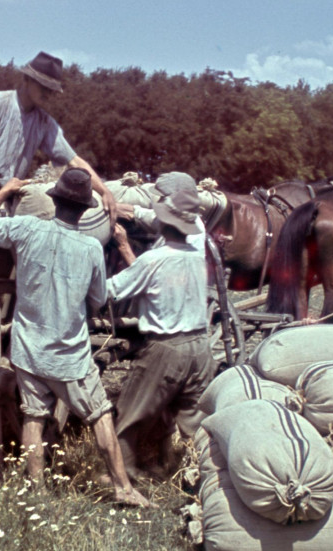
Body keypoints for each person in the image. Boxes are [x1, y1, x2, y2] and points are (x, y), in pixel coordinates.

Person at [0, 167, 149, 507]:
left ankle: (37, 494)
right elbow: (96, 301)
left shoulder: (26, 228)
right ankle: (123, 489)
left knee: (33, 416)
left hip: (27, 349)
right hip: (69, 355)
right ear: (84, 210)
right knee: (99, 415)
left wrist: (6, 190)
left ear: (54, 202)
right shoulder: (93, 249)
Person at [107, 176, 214, 480]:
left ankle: (124, 476)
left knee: (129, 412)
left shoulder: (152, 260)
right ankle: (206, 476)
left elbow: (109, 291)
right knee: (195, 417)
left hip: (167, 348)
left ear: (162, 224)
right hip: (200, 346)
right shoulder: (196, 257)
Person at [0, 51, 116, 225]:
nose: (47, 93)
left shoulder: (44, 122)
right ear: (27, 79)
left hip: (11, 193)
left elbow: (74, 161)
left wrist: (105, 192)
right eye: (43, 86)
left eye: (51, 89)